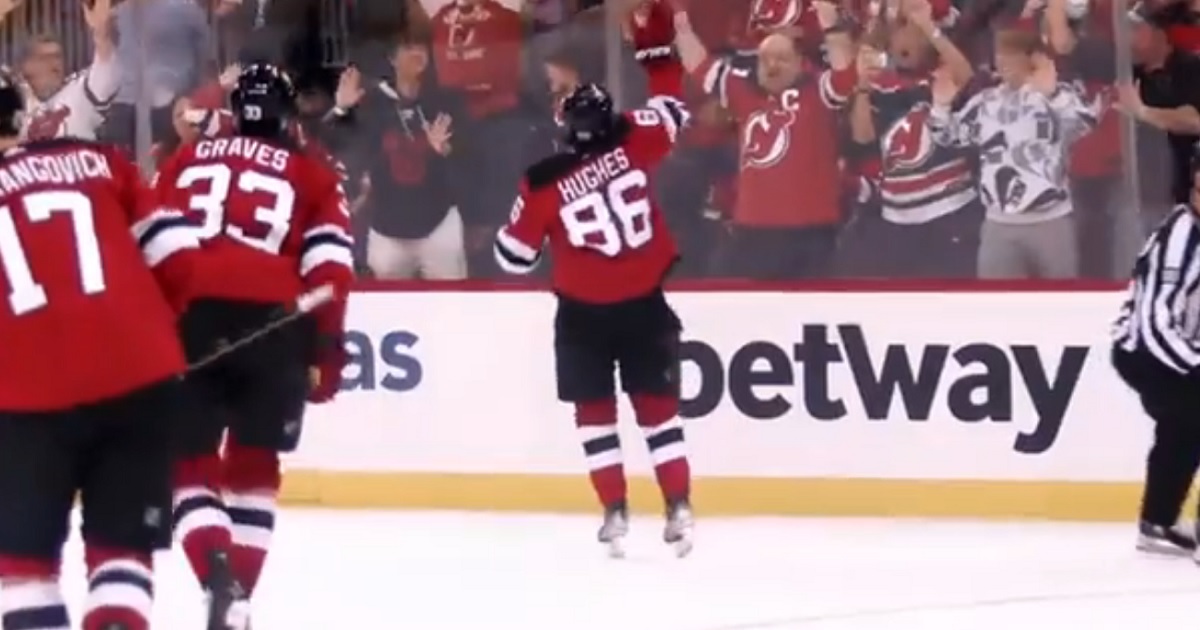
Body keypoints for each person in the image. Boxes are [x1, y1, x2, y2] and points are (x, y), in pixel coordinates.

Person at [152, 63, 354, 628]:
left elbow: (146, 241)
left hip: (191, 316)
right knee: (254, 468)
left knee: (188, 464)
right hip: (275, 321)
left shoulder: (187, 159)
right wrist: (326, 351)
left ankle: (218, 581)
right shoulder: (313, 174)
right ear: (288, 115)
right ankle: (238, 600)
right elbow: (330, 270)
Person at [0, 69, 201, 630]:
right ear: (19, 116)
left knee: (24, 566)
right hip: (140, 379)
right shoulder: (104, 162)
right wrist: (152, 328)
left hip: (23, 398)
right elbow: (180, 260)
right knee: (121, 554)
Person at [492, 83, 694, 558]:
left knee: (595, 417)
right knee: (659, 414)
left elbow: (516, 257)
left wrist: (508, 232)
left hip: (583, 314)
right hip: (645, 303)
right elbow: (673, 110)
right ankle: (678, 506)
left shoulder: (543, 181)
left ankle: (615, 512)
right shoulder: (637, 138)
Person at [1111, 144, 1200, 562]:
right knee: (1188, 419)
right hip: (1149, 353)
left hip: (1176, 351)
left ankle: (1158, 521)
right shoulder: (1182, 235)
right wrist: (1195, 366)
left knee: (1182, 430)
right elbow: (1154, 319)